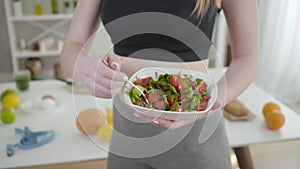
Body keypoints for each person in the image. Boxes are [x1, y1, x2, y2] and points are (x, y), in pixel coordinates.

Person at [61, 0, 259, 168]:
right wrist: (85, 69)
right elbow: (71, 48)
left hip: (195, 142)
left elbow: (247, 57)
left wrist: (209, 103)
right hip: (126, 138)